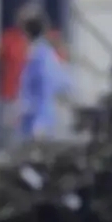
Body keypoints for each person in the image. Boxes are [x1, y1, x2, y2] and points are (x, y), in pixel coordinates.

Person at [16, 10, 68, 139]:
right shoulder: (41, 53)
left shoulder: (40, 55)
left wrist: (39, 121)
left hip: (39, 118)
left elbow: (45, 86)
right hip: (35, 116)